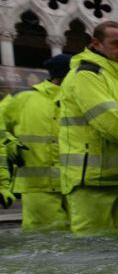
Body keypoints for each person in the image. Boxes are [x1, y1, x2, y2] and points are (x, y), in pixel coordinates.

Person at [58, 20, 118, 236]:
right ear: (96, 43)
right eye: (117, 44)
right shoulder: (86, 75)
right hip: (90, 182)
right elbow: (111, 123)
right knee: (94, 250)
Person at [0, 54, 71, 230]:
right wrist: (10, 143)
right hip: (38, 189)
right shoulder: (21, 98)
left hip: (78, 189)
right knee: (46, 243)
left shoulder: (82, 101)